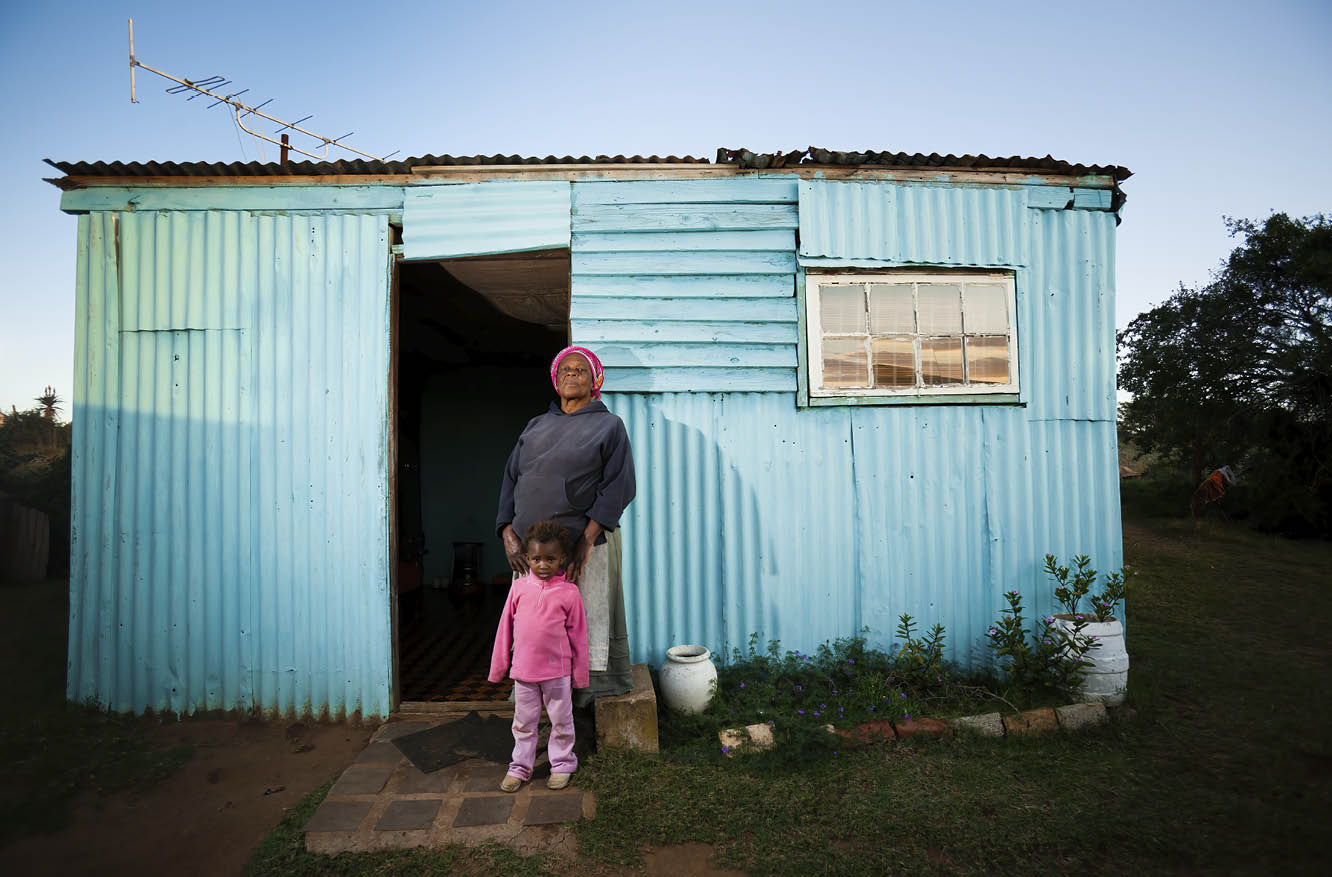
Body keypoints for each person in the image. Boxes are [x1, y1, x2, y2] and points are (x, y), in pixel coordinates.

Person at [495, 345, 636, 705]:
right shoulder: (536, 425)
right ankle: (534, 692)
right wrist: (508, 532)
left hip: (581, 546)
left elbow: (619, 485)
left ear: (595, 381)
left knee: (586, 618)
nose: (571, 375)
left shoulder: (609, 426)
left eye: (580, 370)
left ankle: (589, 697)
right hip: (533, 552)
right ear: (556, 382)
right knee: (535, 624)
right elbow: (512, 478)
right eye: (565, 371)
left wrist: (586, 542)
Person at [488, 520, 588, 791]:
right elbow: (504, 630)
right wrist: (499, 668)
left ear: (562, 559)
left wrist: (579, 676)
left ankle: (563, 763)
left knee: (562, 722)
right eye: (536, 558)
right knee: (523, 724)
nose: (542, 565)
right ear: (527, 558)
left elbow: (578, 637)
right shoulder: (519, 589)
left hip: (558, 673)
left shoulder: (569, 593)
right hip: (524, 674)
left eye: (550, 559)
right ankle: (520, 767)